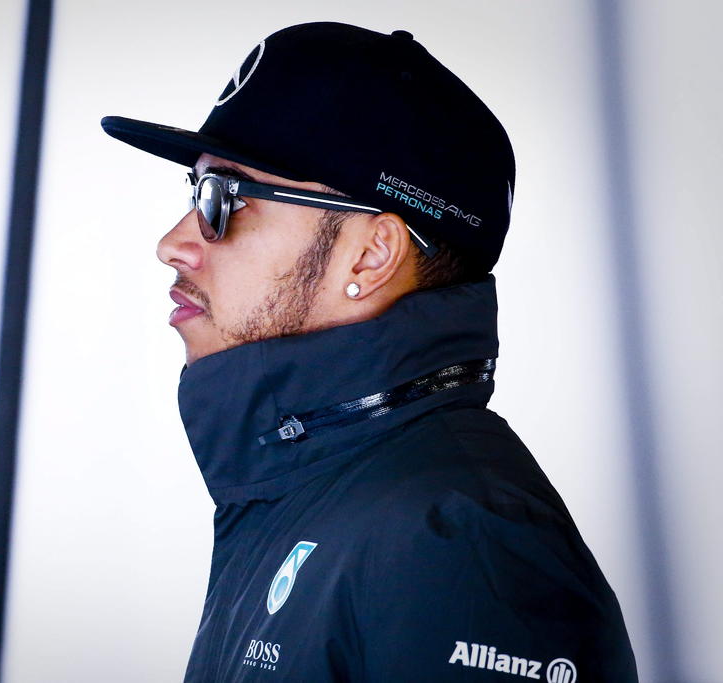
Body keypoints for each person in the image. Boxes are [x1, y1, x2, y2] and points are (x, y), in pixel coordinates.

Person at [101, 22, 637, 682]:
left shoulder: (461, 543)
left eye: (226, 199)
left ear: (371, 254)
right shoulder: (305, 492)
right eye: (196, 190)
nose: (174, 243)